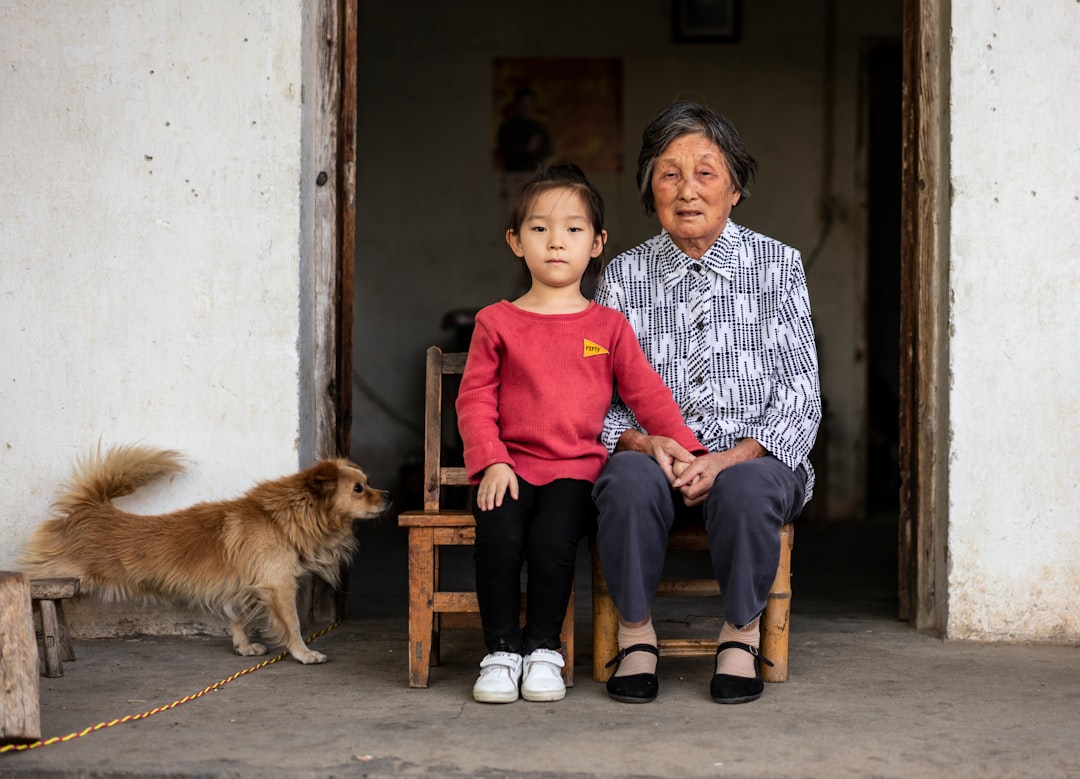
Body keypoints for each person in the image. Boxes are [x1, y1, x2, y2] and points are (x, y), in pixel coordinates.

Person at [592, 101, 822, 705]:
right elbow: (599, 398)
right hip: (655, 456)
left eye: (706, 172)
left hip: (752, 458)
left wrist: (724, 460)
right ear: (650, 190)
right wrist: (647, 444)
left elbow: (800, 392)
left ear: (736, 187)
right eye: (669, 174)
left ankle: (740, 636)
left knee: (748, 490)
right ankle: (637, 636)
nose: (687, 190)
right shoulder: (623, 275)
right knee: (625, 483)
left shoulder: (778, 266)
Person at [456, 163, 705, 704]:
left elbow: (647, 395)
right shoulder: (496, 322)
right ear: (515, 242)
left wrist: (685, 449)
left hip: (575, 472)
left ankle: (544, 650)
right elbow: (474, 399)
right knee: (498, 543)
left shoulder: (607, 326)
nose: (555, 242)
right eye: (539, 229)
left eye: (573, 230)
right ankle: (500, 652)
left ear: (597, 244)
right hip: (510, 469)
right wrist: (491, 461)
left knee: (551, 546)